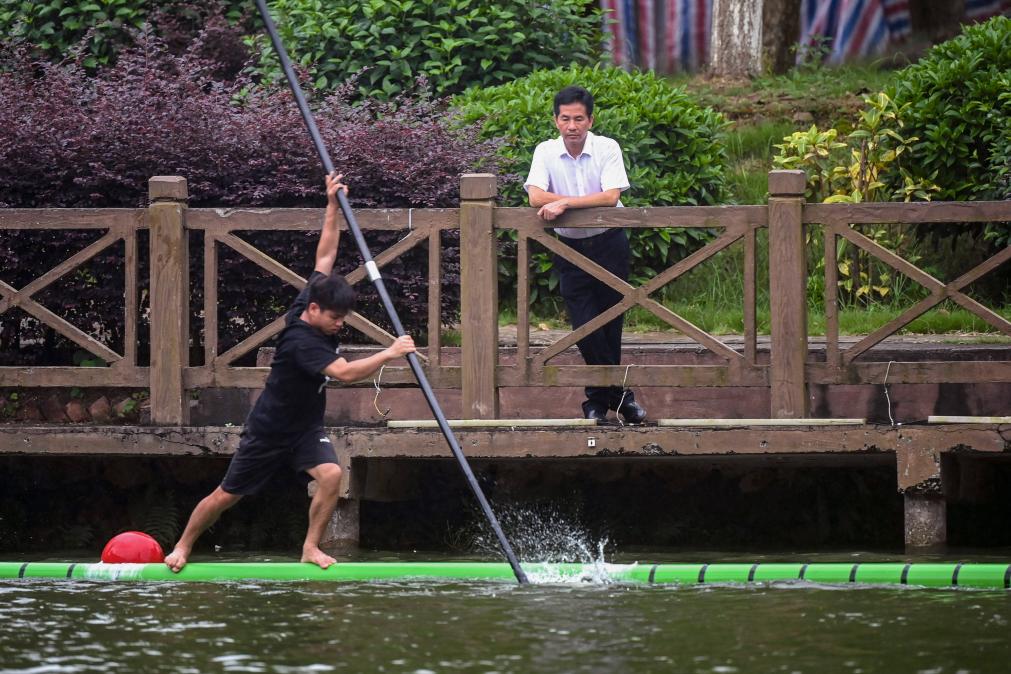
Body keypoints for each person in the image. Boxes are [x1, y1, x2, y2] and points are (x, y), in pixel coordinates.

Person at [165, 173, 416, 572]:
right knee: (226, 496)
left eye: (343, 318)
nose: (340, 325)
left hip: (304, 428)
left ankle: (310, 547)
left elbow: (325, 257)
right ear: (314, 311)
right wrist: (390, 353)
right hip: (269, 429)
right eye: (335, 318)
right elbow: (345, 373)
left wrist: (332, 206)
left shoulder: (311, 299)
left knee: (332, 475)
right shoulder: (303, 341)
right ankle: (182, 546)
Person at [524, 85, 646, 424]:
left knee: (611, 324)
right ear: (556, 120)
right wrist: (556, 201)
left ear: (591, 120)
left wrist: (563, 202)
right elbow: (535, 197)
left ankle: (596, 403)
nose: (572, 126)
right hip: (570, 249)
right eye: (565, 119)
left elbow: (609, 197)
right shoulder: (545, 151)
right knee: (585, 326)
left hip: (609, 244)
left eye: (579, 119)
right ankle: (620, 398)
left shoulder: (607, 147)